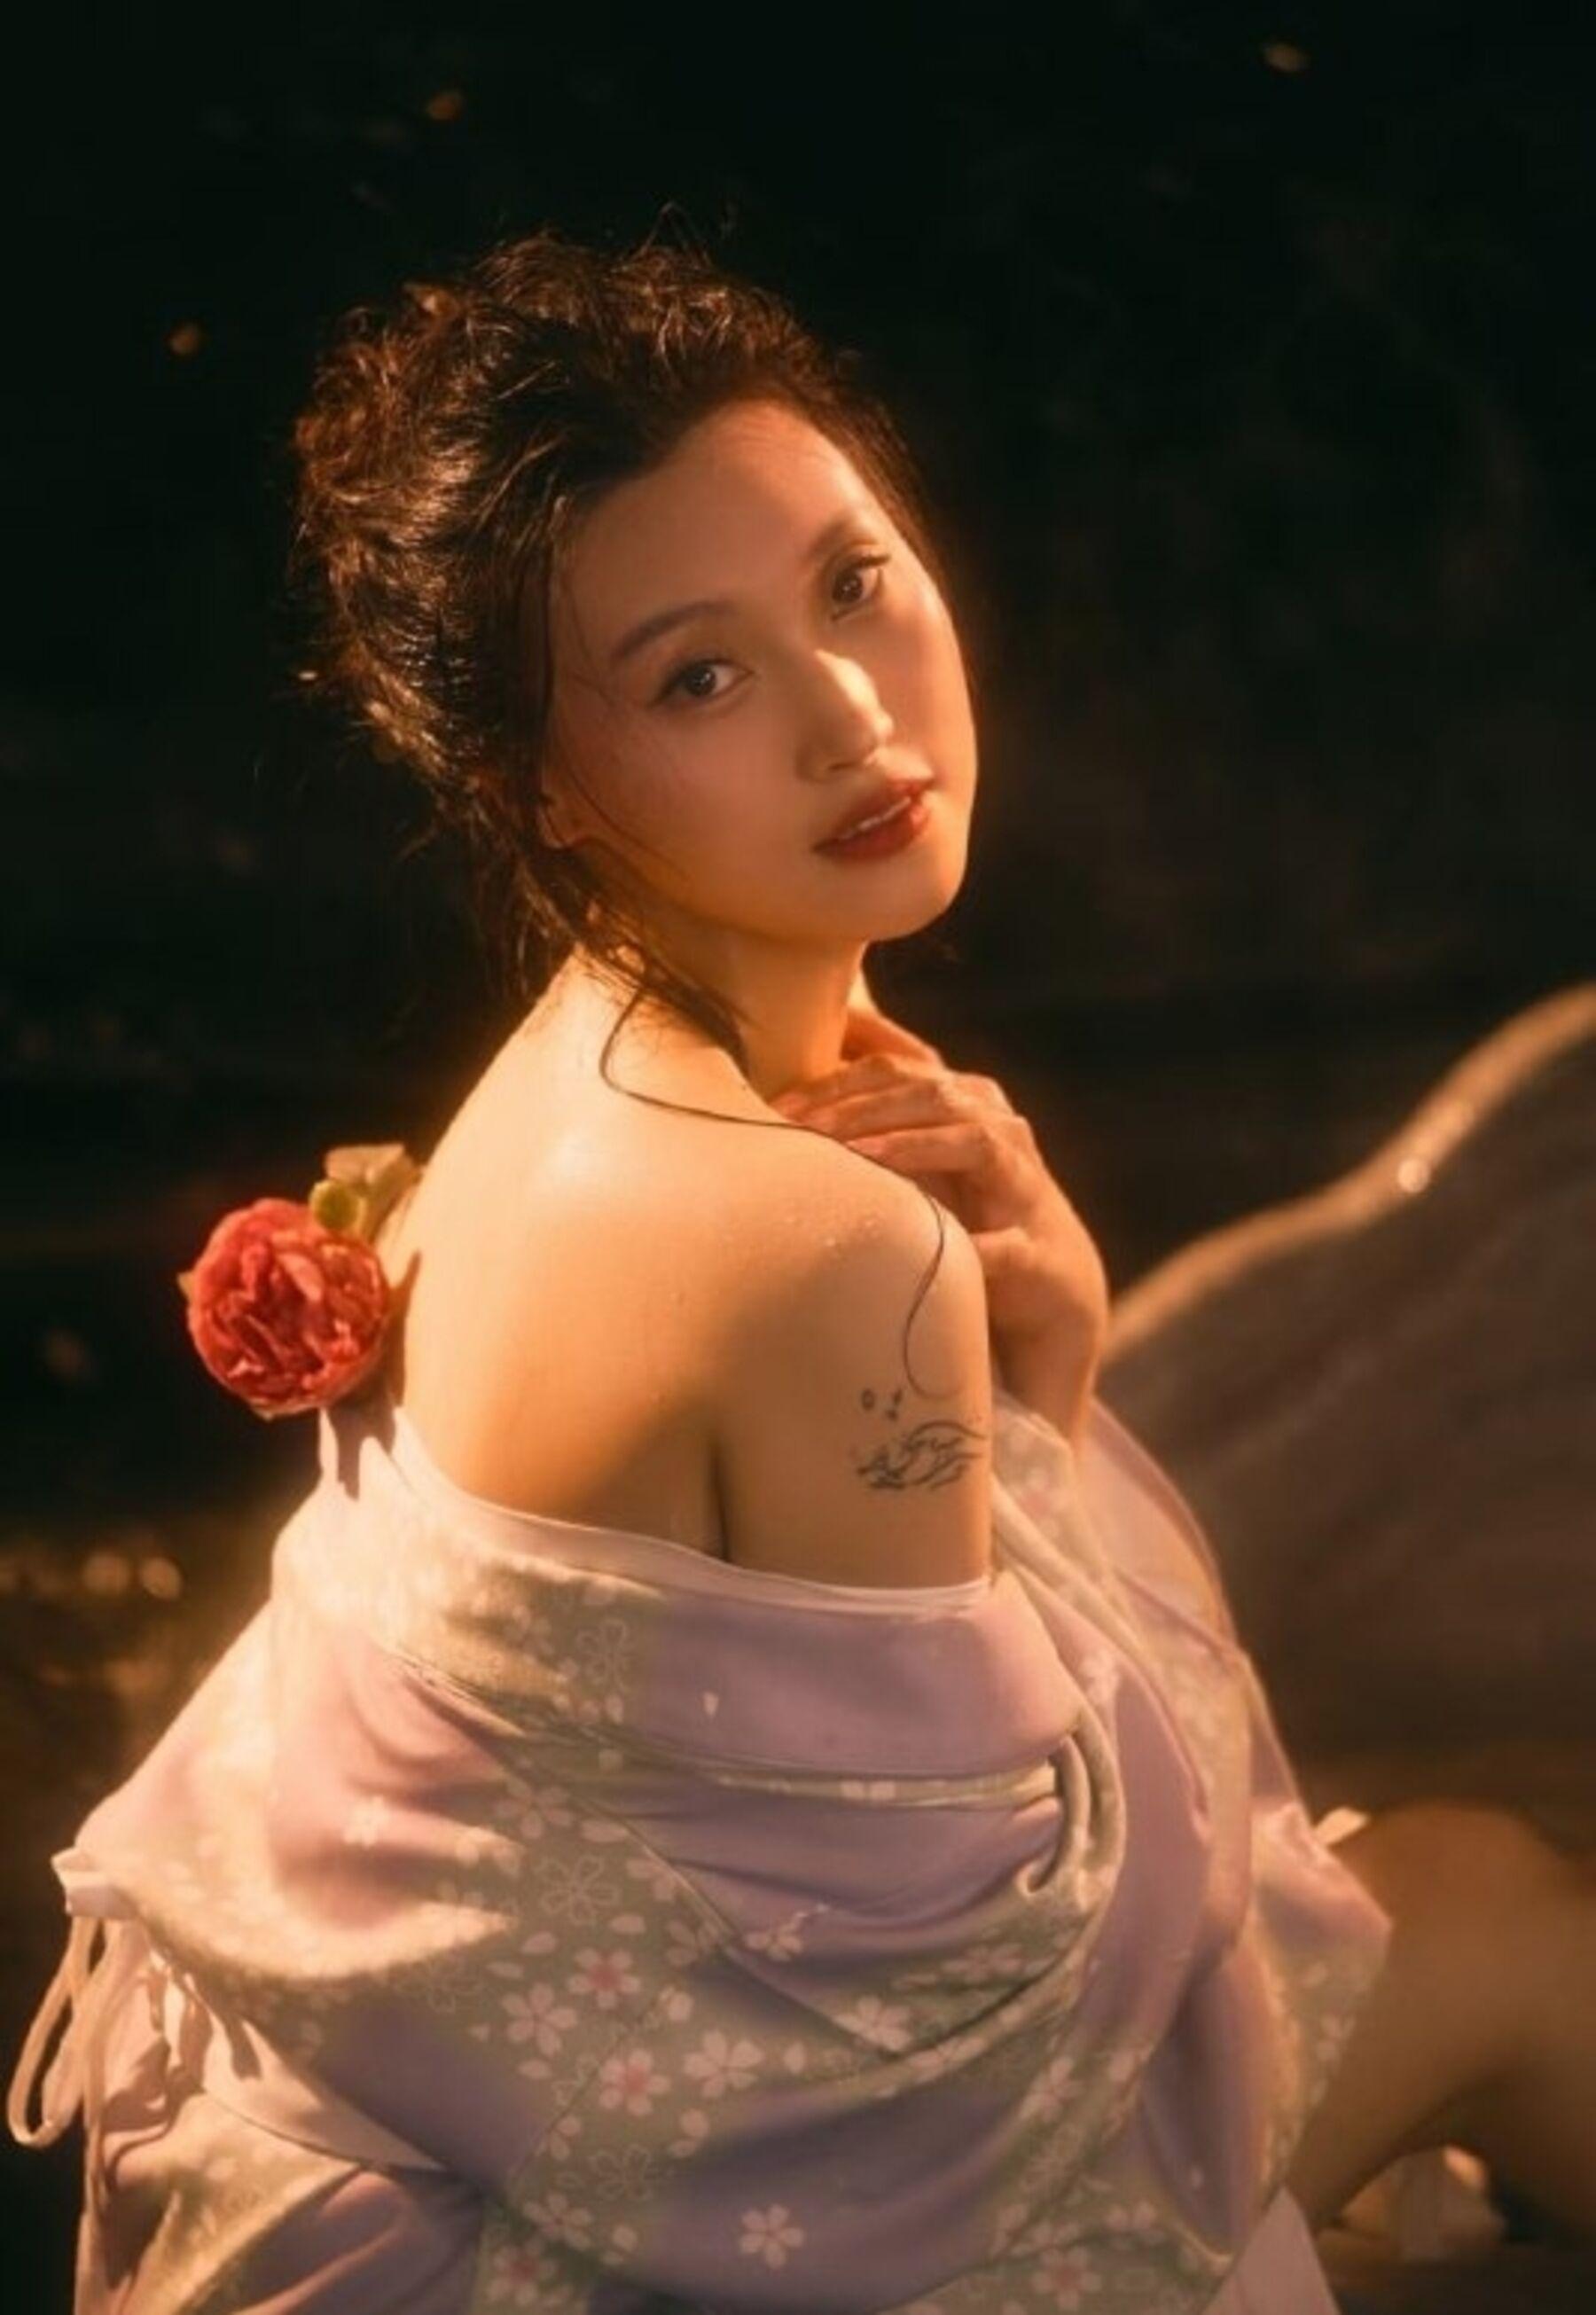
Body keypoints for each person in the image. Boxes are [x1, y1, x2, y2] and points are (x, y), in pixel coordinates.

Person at [11, 218, 1596, 2314]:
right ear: (539, 792)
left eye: (852, 583)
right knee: (1500, 1923)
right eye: (702, 674)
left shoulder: (588, 1058)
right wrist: (1052, 1386)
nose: (852, 712)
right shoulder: (816, 1233)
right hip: (730, 2219)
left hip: (511, 2096)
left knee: (1459, 1910)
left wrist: (1036, 1359)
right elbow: (983, 2040)